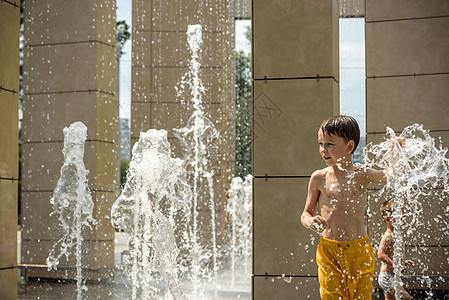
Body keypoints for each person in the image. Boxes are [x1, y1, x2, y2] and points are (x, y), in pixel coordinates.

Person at [301, 115, 396, 299]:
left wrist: (394, 153)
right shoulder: (319, 177)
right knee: (331, 295)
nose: (323, 150)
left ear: (350, 146)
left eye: (329, 144)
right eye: (320, 144)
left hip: (359, 250)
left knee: (361, 296)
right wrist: (311, 221)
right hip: (329, 251)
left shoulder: (361, 175)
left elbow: (387, 176)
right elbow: (305, 213)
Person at [377, 200, 415, 300]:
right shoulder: (388, 236)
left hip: (391, 276)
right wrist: (396, 265)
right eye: (398, 215)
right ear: (387, 218)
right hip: (387, 277)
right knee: (407, 298)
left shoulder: (396, 234)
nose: (402, 217)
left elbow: (392, 255)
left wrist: (404, 262)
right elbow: (380, 254)